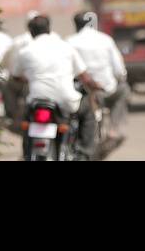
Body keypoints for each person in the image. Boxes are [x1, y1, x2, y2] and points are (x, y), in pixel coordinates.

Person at [13, 15, 103, 160]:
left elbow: (15, 76)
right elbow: (84, 77)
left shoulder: (24, 51)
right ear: (49, 28)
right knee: (88, 113)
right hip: (65, 100)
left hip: (36, 100)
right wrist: (97, 85)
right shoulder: (65, 47)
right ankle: (86, 152)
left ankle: (26, 153)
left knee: (27, 123)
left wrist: (30, 78)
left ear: (31, 32)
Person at [67, 10, 130, 145]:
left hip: (82, 92)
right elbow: (119, 70)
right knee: (124, 89)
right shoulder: (106, 39)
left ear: (76, 25)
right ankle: (115, 129)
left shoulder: (70, 42)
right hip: (107, 90)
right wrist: (119, 79)